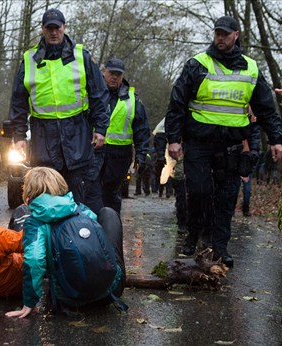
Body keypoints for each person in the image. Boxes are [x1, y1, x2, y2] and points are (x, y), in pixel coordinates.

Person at [165, 16, 282, 267]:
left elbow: (266, 108)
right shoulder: (197, 64)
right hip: (198, 143)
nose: (220, 37)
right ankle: (194, 234)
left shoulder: (251, 68)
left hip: (231, 146)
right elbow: (176, 104)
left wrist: (276, 139)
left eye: (225, 34)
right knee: (198, 192)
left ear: (236, 35)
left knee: (227, 199)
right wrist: (173, 139)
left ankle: (219, 247)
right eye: (217, 33)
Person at [8, 8, 110, 204]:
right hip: (43, 135)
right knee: (46, 193)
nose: (53, 32)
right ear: (42, 30)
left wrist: (101, 129)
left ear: (64, 27)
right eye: (49, 28)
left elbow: (98, 95)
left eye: (57, 28)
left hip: (76, 133)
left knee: (78, 193)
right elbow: (19, 101)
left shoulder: (81, 57)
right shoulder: (29, 60)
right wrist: (19, 136)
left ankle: (78, 231)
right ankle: (48, 234)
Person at [5, 167, 126, 319]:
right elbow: (97, 240)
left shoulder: (35, 222)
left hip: (71, 299)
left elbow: (35, 261)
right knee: (109, 213)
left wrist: (29, 303)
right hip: (111, 291)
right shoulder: (78, 208)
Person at [85, 58, 150, 214]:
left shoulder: (133, 100)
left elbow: (142, 129)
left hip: (119, 155)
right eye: (111, 73)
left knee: (112, 195)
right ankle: (91, 230)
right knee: (91, 192)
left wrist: (141, 155)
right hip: (93, 150)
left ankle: (111, 232)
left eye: (118, 75)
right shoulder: (91, 93)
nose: (114, 77)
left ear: (122, 76)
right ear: (104, 71)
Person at [153, 119, 173, 198]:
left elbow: (156, 144)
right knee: (168, 170)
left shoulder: (162, 122)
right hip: (166, 140)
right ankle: (167, 191)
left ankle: (161, 190)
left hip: (160, 137)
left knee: (161, 170)